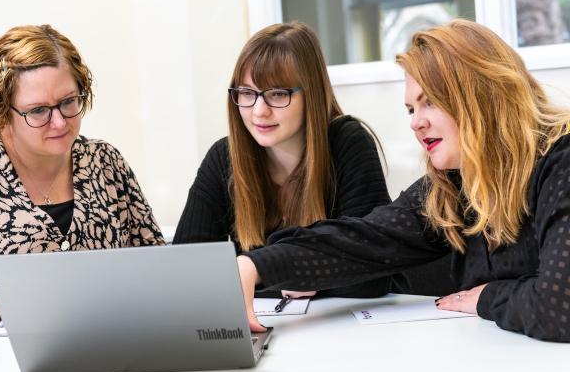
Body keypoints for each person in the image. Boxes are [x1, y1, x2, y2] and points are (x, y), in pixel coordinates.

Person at [236, 19, 570, 342]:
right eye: (411, 109)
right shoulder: (455, 185)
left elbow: (560, 308)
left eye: (431, 103)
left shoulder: (562, 161)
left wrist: (488, 297)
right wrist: (256, 264)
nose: (415, 123)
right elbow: (363, 240)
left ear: (482, 96)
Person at [0, 24, 165, 371]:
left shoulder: (105, 162)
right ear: (1, 108)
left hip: (107, 359)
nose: (59, 122)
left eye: (69, 102)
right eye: (38, 111)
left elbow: (157, 271)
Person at [174, 21, 455, 298]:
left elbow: (372, 278)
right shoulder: (224, 158)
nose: (259, 111)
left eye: (277, 94)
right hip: (266, 325)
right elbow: (186, 274)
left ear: (311, 94)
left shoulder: (347, 142)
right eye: (247, 94)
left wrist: (273, 275)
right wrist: (298, 279)